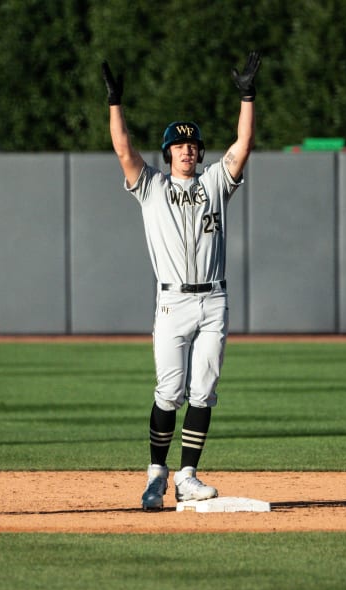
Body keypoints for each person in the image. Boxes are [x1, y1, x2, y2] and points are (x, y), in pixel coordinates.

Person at [102, 52, 261, 510]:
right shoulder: (150, 186)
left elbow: (244, 143)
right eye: (179, 145)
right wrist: (115, 103)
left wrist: (247, 95)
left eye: (193, 145)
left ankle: (187, 475)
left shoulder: (215, 183)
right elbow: (122, 150)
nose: (188, 150)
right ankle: (156, 475)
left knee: (204, 390)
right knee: (169, 392)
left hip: (213, 299)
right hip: (172, 303)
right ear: (167, 151)